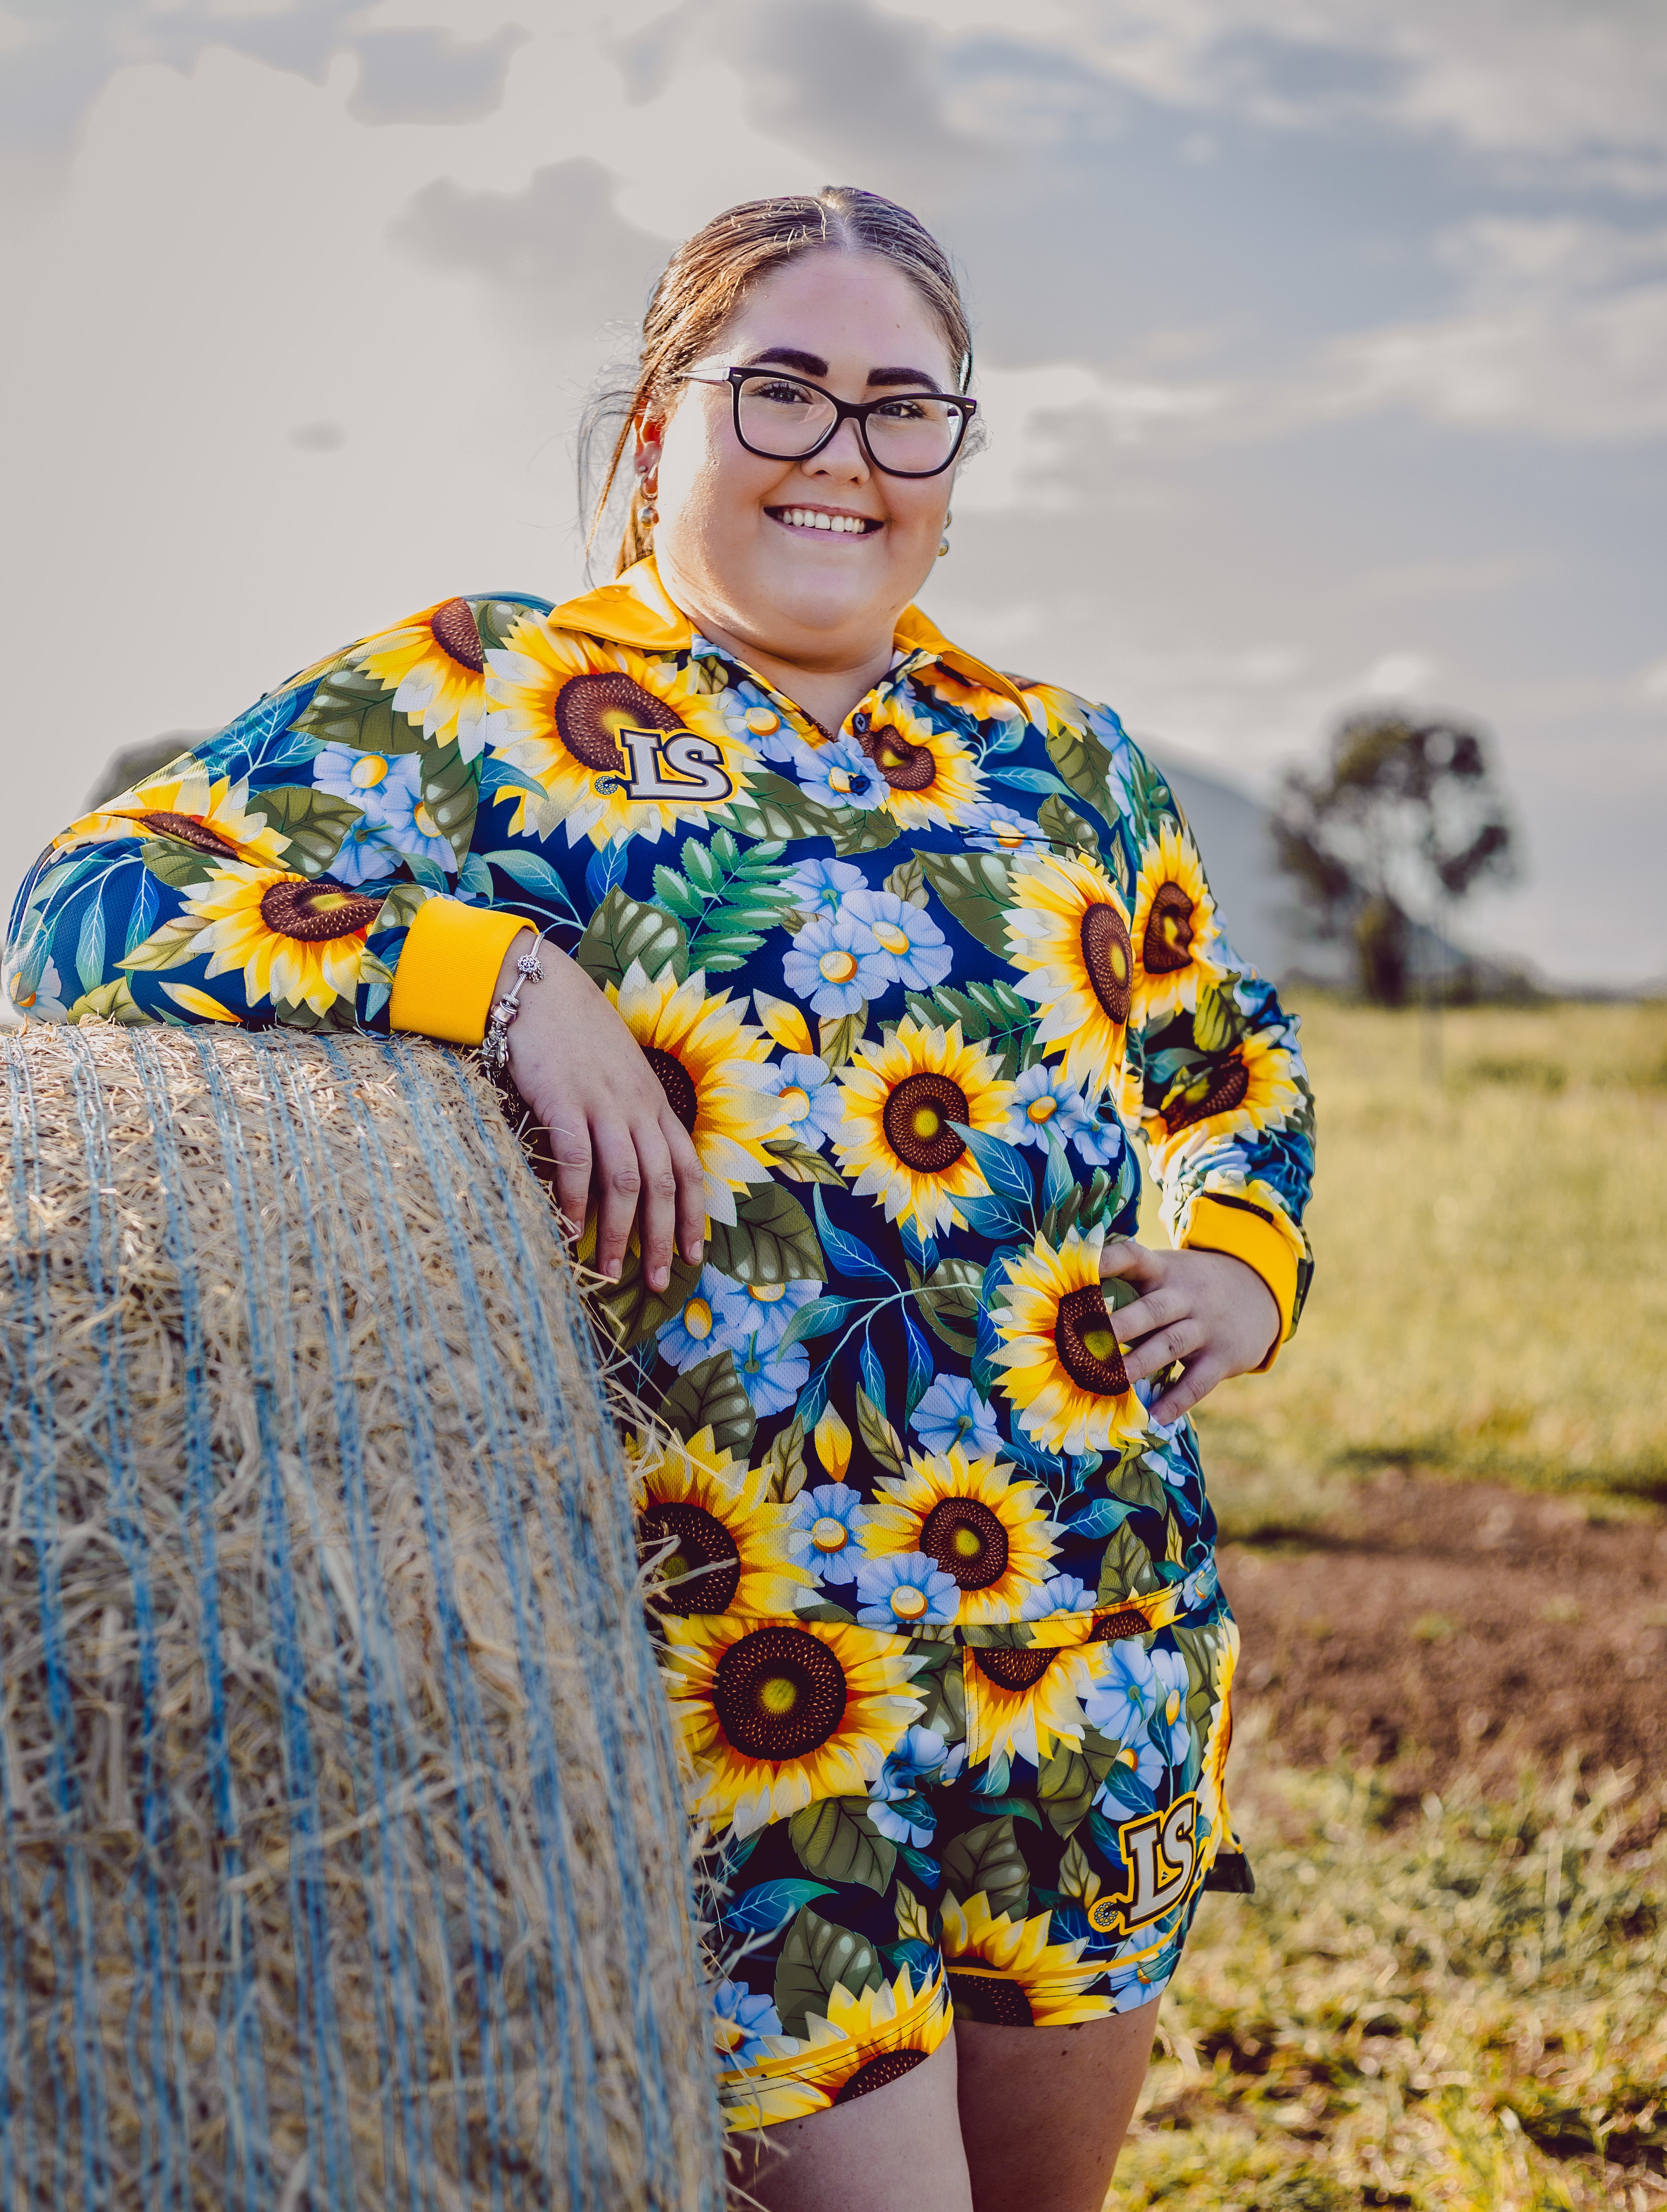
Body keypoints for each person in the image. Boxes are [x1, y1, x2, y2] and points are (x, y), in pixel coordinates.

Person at [5, 187, 1314, 2212]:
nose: (841, 454)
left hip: (1093, 1639)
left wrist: (1236, 1261)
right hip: (748, 1684)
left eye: (902, 409)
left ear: (953, 459)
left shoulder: (1067, 764)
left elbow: (1226, 1062)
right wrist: (503, 982)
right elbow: (95, 897)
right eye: (778, 390)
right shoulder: (483, 696)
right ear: (651, 429)